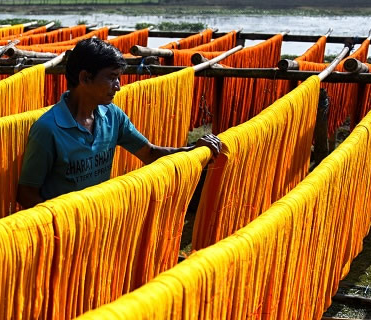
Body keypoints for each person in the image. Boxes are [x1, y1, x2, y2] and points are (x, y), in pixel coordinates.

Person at [17, 38, 223, 209]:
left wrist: (193, 150)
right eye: (112, 77)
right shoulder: (48, 130)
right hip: (64, 232)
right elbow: (26, 194)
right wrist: (61, 225)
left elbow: (149, 153)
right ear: (85, 78)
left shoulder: (112, 116)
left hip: (102, 219)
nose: (118, 86)